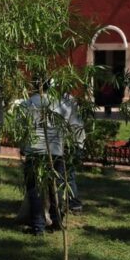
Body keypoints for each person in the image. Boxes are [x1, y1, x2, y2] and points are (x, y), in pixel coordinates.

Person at [21, 80, 65, 236]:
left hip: (34, 151)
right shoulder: (60, 104)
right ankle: (57, 221)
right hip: (55, 151)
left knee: (34, 188)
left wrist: (22, 148)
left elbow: (22, 129)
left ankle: (38, 226)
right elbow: (67, 127)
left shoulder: (26, 104)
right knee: (56, 186)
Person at [61, 93, 85, 213]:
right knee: (68, 174)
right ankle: (67, 202)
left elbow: (62, 122)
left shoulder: (65, 102)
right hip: (76, 142)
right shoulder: (70, 99)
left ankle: (74, 203)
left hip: (72, 144)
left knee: (67, 175)